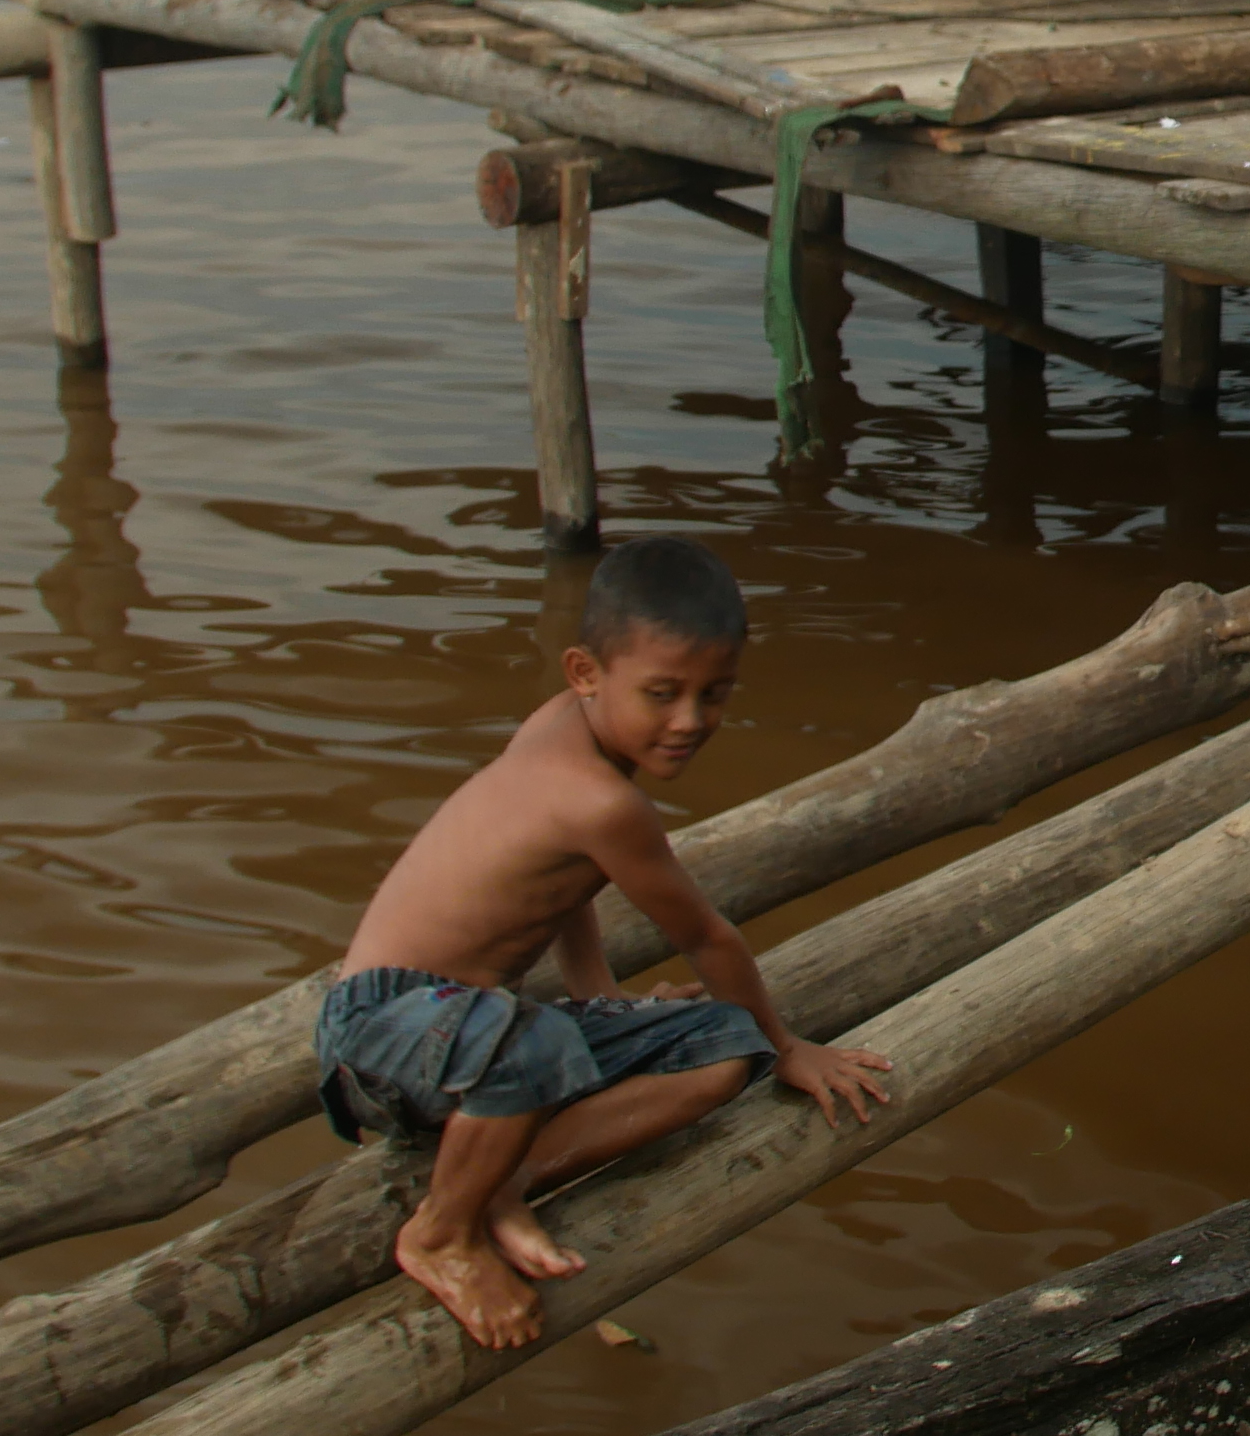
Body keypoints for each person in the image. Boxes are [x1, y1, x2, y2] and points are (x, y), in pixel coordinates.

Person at [310, 537, 890, 1347]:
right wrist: (789, 1045)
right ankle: (442, 1230)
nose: (690, 721)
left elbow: (565, 893)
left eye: (714, 694)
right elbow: (707, 938)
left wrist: (602, 1001)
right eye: (662, 694)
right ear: (585, 673)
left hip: (474, 1034)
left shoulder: (563, 730)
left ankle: (504, 1179)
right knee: (566, 1043)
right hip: (383, 1032)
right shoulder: (598, 801)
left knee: (726, 1049)